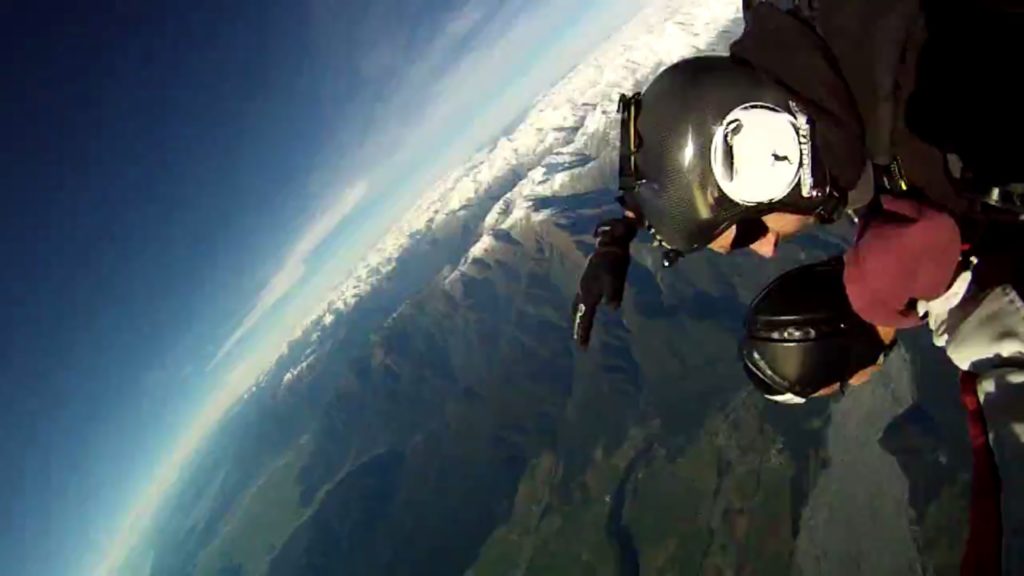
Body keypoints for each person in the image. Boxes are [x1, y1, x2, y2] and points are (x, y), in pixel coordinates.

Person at [570, 0, 1024, 350]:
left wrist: (967, 299)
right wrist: (624, 230)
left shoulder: (951, 111)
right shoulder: (813, 37)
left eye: (750, 233)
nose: (767, 249)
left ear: (771, 158)